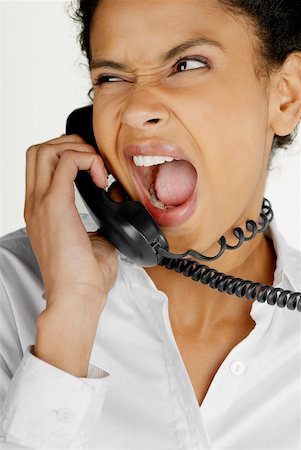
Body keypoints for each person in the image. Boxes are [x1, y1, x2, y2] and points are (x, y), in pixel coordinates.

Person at [0, 0, 300, 448]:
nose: (136, 109)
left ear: (285, 95)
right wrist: (70, 316)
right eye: (111, 78)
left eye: (187, 64)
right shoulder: (9, 289)